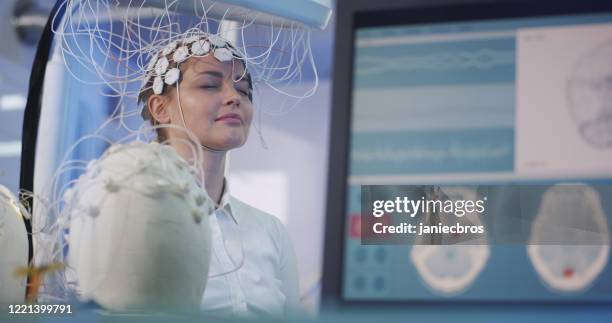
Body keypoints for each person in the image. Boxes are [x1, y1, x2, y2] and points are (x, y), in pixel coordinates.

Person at [138, 35, 301, 318]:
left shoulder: (270, 231)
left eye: (244, 90)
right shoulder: (128, 215)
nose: (233, 98)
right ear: (160, 108)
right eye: (210, 85)